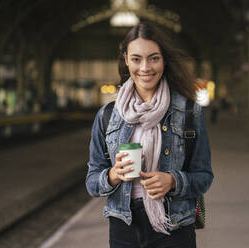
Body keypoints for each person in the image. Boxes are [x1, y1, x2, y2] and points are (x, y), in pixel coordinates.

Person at [86, 22, 214, 248]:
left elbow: (203, 177)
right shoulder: (107, 116)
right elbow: (92, 181)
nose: (145, 67)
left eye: (153, 58)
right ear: (126, 60)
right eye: (136, 59)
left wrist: (173, 181)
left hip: (174, 226)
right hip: (123, 227)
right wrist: (113, 175)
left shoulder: (189, 113)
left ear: (164, 60)